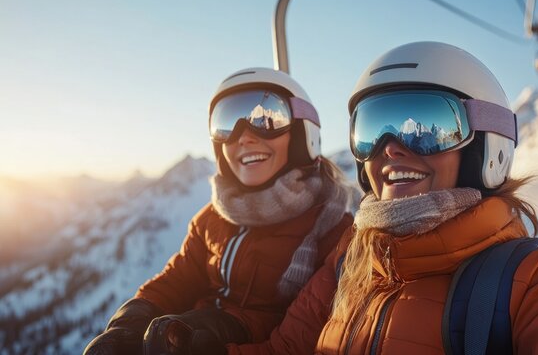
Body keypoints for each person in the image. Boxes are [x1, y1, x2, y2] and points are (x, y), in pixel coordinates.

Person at [226, 42, 538, 354]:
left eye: (424, 127)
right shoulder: (349, 261)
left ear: (486, 147)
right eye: (372, 131)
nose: (390, 148)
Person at [83, 67, 353, 355]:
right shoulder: (215, 216)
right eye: (227, 123)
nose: (243, 137)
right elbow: (180, 277)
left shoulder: (332, 229)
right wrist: (133, 318)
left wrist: (225, 328)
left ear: (303, 133)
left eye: (266, 120)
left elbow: (306, 334)